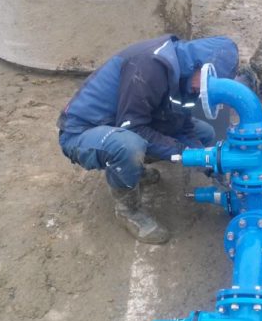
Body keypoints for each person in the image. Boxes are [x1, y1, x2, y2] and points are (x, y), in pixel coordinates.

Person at [57, 34, 239, 244]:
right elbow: (132, 127)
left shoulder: (185, 76)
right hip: (82, 132)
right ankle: (128, 211)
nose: (201, 91)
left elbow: (183, 126)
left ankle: (133, 171)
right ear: (201, 65)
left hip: (122, 122)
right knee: (128, 146)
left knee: (204, 132)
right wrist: (183, 152)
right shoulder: (150, 67)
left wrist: (208, 161)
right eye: (206, 83)